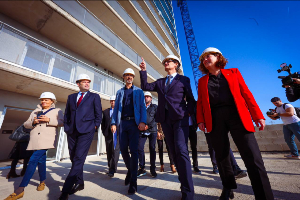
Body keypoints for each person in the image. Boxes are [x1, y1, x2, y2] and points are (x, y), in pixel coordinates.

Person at [197, 47, 274, 200]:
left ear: (218, 57)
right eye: (203, 59)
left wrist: (257, 115)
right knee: (222, 156)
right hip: (215, 118)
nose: (205, 60)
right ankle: (228, 188)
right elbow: (200, 103)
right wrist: (200, 120)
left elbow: (246, 93)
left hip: (238, 115)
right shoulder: (202, 81)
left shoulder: (234, 73)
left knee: (252, 155)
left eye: (208, 56)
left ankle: (264, 195)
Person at [140, 55, 195, 200]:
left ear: (176, 64)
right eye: (164, 62)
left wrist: (188, 113)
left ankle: (188, 193)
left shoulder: (183, 80)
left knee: (181, 150)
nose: (166, 63)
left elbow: (190, 99)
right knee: (173, 151)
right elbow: (146, 86)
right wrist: (144, 71)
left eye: (168, 61)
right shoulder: (160, 82)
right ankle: (183, 181)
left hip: (180, 118)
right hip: (165, 120)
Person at [5, 92, 63, 200]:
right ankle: (42, 181)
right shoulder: (35, 111)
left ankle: (20, 189)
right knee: (41, 161)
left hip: (47, 140)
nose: (43, 101)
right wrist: (33, 121)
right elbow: (26, 124)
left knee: (33, 159)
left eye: (46, 100)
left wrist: (49, 120)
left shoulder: (57, 111)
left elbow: (62, 122)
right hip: (35, 140)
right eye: (42, 99)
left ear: (52, 101)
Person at [59, 74, 102, 200]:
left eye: (88, 82)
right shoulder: (71, 97)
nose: (87, 84)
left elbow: (98, 114)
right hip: (72, 131)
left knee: (78, 158)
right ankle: (80, 182)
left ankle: (65, 190)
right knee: (74, 157)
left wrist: (95, 126)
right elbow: (67, 113)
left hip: (86, 131)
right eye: (84, 82)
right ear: (78, 84)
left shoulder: (94, 96)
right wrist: (67, 127)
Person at [111, 68, 147, 195]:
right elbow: (115, 110)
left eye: (131, 75)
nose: (129, 77)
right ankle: (131, 170)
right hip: (123, 123)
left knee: (134, 150)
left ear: (133, 77)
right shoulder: (119, 92)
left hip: (134, 124)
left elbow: (143, 107)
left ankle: (133, 182)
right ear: (124, 77)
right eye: (127, 75)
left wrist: (143, 121)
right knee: (123, 150)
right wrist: (113, 122)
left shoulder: (139, 91)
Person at [137, 91, 158, 178]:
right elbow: (137, 117)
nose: (146, 98)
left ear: (151, 98)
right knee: (139, 147)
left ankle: (152, 169)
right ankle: (142, 168)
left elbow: (156, 119)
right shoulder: (141, 107)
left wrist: (147, 126)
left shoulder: (155, 107)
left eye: (148, 97)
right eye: (145, 97)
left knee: (152, 149)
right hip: (142, 131)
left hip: (152, 131)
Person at [101, 95, 120, 177]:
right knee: (109, 151)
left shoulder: (120, 112)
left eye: (114, 101)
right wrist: (104, 133)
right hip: (108, 135)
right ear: (110, 102)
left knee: (115, 151)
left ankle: (113, 169)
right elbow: (103, 123)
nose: (113, 102)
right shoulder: (105, 112)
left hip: (117, 135)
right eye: (111, 101)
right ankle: (110, 168)